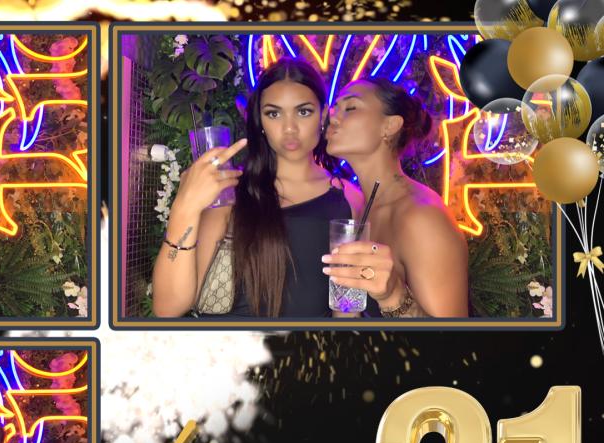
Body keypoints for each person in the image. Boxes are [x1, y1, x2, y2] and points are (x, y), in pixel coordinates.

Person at [151, 57, 364, 318]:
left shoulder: (349, 199)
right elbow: (168, 307)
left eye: (303, 112)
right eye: (274, 114)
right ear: (260, 122)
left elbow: (346, 308)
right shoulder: (229, 191)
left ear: (323, 114)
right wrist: (184, 208)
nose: (289, 128)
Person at [323, 78, 469, 318]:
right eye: (334, 109)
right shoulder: (359, 207)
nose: (334, 118)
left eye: (350, 108)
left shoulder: (422, 217)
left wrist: (393, 295)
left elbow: (453, 337)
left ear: (390, 126)